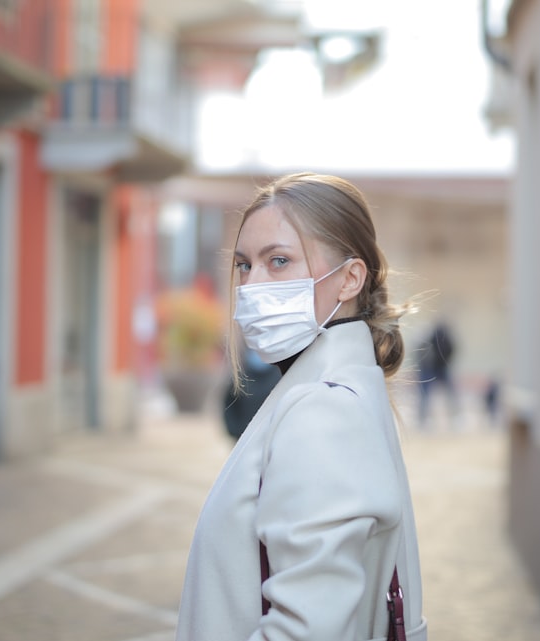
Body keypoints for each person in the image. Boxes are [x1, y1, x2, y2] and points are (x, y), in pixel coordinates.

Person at [176, 173, 427, 640]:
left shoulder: (323, 411)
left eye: (279, 261)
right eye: (244, 265)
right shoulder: (345, 388)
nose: (252, 285)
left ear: (350, 279)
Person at [222, 343, 282, 442]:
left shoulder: (279, 377)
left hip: (269, 438)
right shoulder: (241, 377)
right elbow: (228, 405)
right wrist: (235, 431)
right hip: (243, 437)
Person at [416, 320, 456, 428]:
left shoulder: (432, 338)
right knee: (427, 395)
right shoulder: (439, 338)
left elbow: (451, 350)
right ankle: (423, 419)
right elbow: (452, 349)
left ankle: (423, 419)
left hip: (433, 368)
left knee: (426, 395)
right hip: (432, 368)